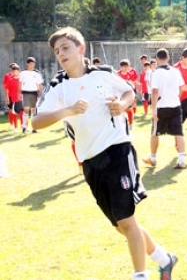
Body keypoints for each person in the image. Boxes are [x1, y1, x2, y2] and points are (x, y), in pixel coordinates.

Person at [32, 27, 177, 280]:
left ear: (81, 48)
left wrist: (120, 105)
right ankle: (164, 259)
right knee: (122, 225)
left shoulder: (103, 73)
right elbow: (36, 121)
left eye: (65, 47)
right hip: (89, 161)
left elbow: (130, 92)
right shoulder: (58, 84)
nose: (61, 54)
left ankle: (140, 275)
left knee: (127, 219)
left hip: (118, 150)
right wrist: (67, 111)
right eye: (57, 51)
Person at [142, 48, 187, 169]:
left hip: (161, 107)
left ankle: (153, 158)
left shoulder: (155, 73)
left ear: (157, 59)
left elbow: (154, 92)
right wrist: (176, 97)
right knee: (179, 132)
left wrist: (153, 109)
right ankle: (181, 160)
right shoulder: (176, 71)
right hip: (175, 105)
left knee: (155, 133)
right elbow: (182, 88)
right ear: (168, 58)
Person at [19, 57, 43, 133]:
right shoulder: (23, 73)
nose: (32, 65)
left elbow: (39, 85)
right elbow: (19, 83)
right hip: (25, 92)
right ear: (27, 64)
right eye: (30, 64)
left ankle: (34, 128)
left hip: (34, 93)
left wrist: (42, 94)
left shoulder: (36, 74)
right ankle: (24, 127)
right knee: (26, 110)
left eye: (33, 64)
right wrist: (19, 93)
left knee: (33, 111)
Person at [117, 59, 138, 129]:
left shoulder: (130, 74)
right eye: (124, 67)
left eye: (127, 66)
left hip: (128, 94)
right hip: (119, 94)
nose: (126, 68)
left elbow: (133, 84)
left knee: (129, 109)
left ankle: (130, 124)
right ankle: (119, 124)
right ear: (121, 67)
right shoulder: (117, 74)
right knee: (120, 109)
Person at [4, 63, 24, 132]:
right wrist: (6, 97)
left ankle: (23, 125)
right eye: (13, 70)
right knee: (13, 111)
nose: (14, 72)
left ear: (19, 70)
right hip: (12, 97)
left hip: (21, 98)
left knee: (22, 112)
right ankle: (13, 125)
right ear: (11, 70)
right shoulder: (8, 77)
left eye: (16, 70)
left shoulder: (22, 78)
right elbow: (6, 87)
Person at [3, 63, 15, 129]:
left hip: (17, 95)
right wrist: (6, 96)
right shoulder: (7, 76)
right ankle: (11, 124)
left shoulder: (18, 75)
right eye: (12, 67)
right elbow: (5, 87)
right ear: (10, 68)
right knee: (10, 110)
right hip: (10, 95)